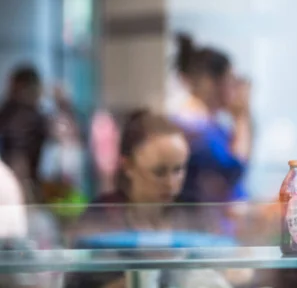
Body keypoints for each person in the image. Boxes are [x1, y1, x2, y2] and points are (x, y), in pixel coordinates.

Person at [66, 109, 236, 288]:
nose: (171, 184)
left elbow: (233, 267)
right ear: (128, 166)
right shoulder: (101, 218)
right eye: (159, 172)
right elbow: (76, 282)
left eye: (178, 170)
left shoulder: (193, 213)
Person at [172, 34, 252, 202]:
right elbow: (233, 169)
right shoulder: (192, 126)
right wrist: (241, 116)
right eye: (230, 80)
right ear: (210, 82)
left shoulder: (211, 124)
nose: (235, 88)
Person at [0, 65, 47, 202]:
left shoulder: (7, 112)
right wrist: (25, 194)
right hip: (17, 185)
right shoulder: (24, 115)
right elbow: (18, 158)